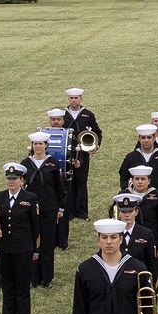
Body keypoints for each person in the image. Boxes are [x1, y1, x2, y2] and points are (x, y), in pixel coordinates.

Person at [0, 163, 41, 314]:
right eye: (9, 179)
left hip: (23, 248)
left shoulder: (30, 198)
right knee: (7, 285)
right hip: (5, 248)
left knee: (22, 286)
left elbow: (36, 226)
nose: (11, 182)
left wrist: (36, 249)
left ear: (22, 180)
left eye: (14, 179)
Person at [23, 131, 66, 289]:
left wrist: (60, 207)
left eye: (41, 144)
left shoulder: (53, 163)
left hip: (49, 209)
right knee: (32, 243)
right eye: (35, 144)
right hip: (31, 210)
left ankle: (46, 278)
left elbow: (59, 187)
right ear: (32, 146)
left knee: (47, 243)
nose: (38, 147)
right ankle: (33, 278)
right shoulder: (25, 164)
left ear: (46, 145)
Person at [123, 166, 158, 284]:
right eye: (137, 179)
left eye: (143, 179)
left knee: (152, 263)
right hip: (130, 239)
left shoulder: (157, 195)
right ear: (132, 180)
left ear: (149, 181)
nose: (140, 182)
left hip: (152, 237)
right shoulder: (124, 195)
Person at [63, 88, 103, 220]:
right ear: (68, 99)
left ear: (81, 99)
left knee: (81, 181)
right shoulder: (63, 114)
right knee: (68, 181)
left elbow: (97, 131)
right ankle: (69, 211)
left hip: (83, 152)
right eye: (71, 98)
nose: (74, 100)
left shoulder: (88, 114)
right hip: (66, 152)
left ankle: (81, 211)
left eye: (76, 98)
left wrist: (95, 146)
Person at [119, 124, 158, 205]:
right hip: (135, 202)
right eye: (143, 137)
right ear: (139, 139)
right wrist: (127, 195)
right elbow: (123, 178)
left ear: (154, 138)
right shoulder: (130, 158)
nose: (146, 140)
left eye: (149, 137)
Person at [46, 108, 74, 250]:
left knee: (64, 209)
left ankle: (62, 241)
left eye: (59, 119)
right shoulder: (42, 136)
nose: (56, 122)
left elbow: (75, 151)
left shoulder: (69, 135)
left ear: (63, 121)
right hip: (47, 178)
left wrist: (77, 161)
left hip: (64, 177)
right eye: (53, 119)